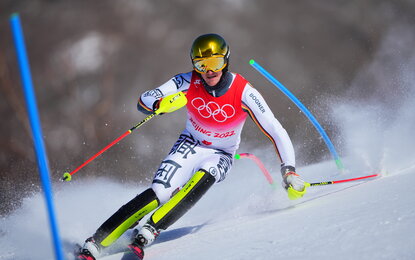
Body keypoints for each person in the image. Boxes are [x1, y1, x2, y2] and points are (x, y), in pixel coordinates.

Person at [76, 33, 306, 260]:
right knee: (160, 192)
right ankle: (97, 242)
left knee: (206, 176)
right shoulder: (188, 81)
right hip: (190, 143)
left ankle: (150, 230)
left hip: (221, 153)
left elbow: (276, 130)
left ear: (226, 60)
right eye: (201, 64)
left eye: (215, 62)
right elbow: (144, 100)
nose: (209, 71)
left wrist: (289, 170)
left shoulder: (245, 92)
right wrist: (160, 103)